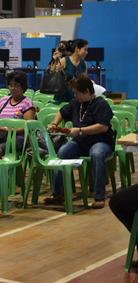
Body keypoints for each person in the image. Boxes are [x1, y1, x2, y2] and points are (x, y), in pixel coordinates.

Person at [45, 74, 114, 209]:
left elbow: (103, 127)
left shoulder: (101, 104)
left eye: (77, 93)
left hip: (101, 142)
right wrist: (54, 124)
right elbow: (62, 111)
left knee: (97, 153)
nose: (75, 96)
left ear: (87, 91)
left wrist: (80, 131)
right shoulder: (76, 102)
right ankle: (58, 193)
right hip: (81, 142)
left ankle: (99, 196)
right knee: (63, 151)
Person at [0, 71, 35, 194]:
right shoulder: (4, 101)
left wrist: (11, 130)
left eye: (16, 85)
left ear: (23, 87)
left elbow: (28, 126)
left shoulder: (27, 103)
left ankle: (4, 184)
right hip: (2, 136)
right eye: (10, 85)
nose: (13, 88)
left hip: (19, 139)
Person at [51, 39, 89, 103]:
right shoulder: (64, 61)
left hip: (79, 99)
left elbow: (85, 80)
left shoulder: (84, 63)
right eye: (85, 49)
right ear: (77, 48)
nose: (86, 52)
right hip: (63, 98)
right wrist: (55, 61)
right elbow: (52, 74)